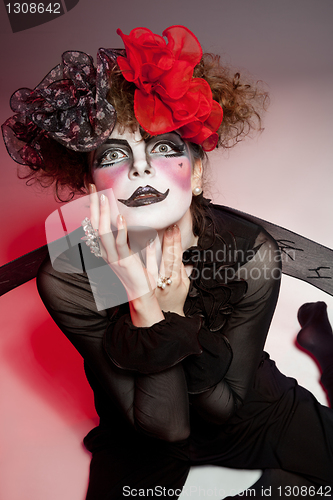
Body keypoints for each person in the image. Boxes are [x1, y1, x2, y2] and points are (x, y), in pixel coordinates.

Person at [2, 25, 333, 499]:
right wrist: (144, 302)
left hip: (249, 413)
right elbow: (168, 429)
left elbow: (223, 410)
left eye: (162, 148)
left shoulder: (250, 254)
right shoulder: (69, 279)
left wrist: (173, 313)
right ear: (94, 187)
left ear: (196, 173)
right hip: (144, 436)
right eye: (115, 155)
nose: (139, 168)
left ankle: (322, 345)